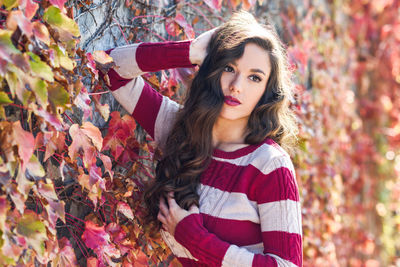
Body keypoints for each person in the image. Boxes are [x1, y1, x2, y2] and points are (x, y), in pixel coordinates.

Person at [99, 10, 302, 267]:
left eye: (254, 77)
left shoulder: (270, 165)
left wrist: (194, 237)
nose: (237, 84)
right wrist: (190, 52)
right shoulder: (179, 131)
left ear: (267, 92)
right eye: (229, 68)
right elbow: (110, 68)